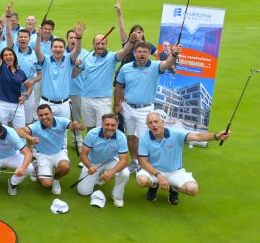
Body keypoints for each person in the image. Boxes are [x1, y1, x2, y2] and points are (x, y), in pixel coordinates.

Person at [136, 112, 230, 205]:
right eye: (150, 122)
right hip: (154, 171)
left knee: (192, 189)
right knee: (141, 180)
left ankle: (174, 188)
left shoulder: (176, 133)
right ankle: (154, 186)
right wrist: (159, 175)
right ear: (147, 125)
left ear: (162, 122)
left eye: (156, 121)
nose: (154, 125)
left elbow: (197, 136)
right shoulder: (144, 137)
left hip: (174, 171)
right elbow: (143, 162)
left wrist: (216, 136)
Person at [114, 41, 179, 170]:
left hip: (145, 109)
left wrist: (174, 55)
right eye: (139, 52)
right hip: (127, 107)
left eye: (145, 52)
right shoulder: (125, 68)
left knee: (144, 138)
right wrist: (117, 104)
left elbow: (167, 64)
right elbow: (119, 86)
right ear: (134, 53)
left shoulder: (155, 66)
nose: (142, 54)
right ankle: (134, 161)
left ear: (149, 53)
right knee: (131, 136)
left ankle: (146, 164)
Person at [73, 28, 137, 130]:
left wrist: (131, 41)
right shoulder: (87, 57)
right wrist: (76, 66)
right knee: (90, 128)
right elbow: (74, 75)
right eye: (97, 44)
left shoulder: (112, 57)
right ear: (93, 44)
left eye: (103, 44)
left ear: (106, 44)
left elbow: (125, 51)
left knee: (103, 129)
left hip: (103, 100)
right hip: (86, 98)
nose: (100, 46)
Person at [17, 105, 85, 195]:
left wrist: (77, 126)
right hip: (42, 154)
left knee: (65, 166)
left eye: (46, 114)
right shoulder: (35, 126)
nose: (44, 117)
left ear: (51, 114)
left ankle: (56, 180)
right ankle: (36, 167)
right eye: (41, 115)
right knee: (46, 183)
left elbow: (82, 127)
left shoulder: (62, 121)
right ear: (38, 116)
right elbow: (18, 130)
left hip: (59, 152)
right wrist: (30, 137)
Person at [33, 22, 85, 120]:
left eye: (61, 47)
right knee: (45, 131)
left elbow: (77, 50)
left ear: (64, 49)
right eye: (55, 47)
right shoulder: (46, 60)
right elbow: (37, 51)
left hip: (63, 104)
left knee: (62, 133)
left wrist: (78, 37)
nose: (58, 49)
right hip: (46, 103)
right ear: (51, 48)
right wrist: (38, 36)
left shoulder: (68, 59)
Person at [76, 113, 130, 207]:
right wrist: (89, 167)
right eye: (107, 124)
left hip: (111, 161)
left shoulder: (121, 137)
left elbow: (124, 160)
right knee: (83, 191)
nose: (110, 127)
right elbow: (83, 154)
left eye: (113, 125)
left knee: (125, 173)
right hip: (93, 163)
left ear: (117, 125)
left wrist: (111, 172)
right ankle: (100, 174)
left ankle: (117, 196)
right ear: (102, 124)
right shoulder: (92, 134)